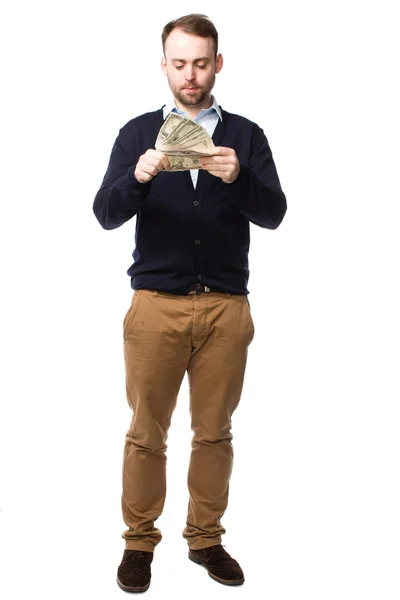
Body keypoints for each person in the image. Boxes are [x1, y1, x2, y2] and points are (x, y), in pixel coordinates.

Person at [93, 13, 287, 593]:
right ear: (164, 66)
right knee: (146, 431)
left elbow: (274, 213)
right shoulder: (136, 132)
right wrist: (137, 176)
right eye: (179, 64)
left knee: (215, 432)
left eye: (201, 63)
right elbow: (105, 213)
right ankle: (138, 543)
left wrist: (240, 180)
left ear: (217, 63)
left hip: (227, 308)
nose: (191, 75)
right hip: (155, 307)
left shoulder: (247, 135)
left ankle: (205, 538)